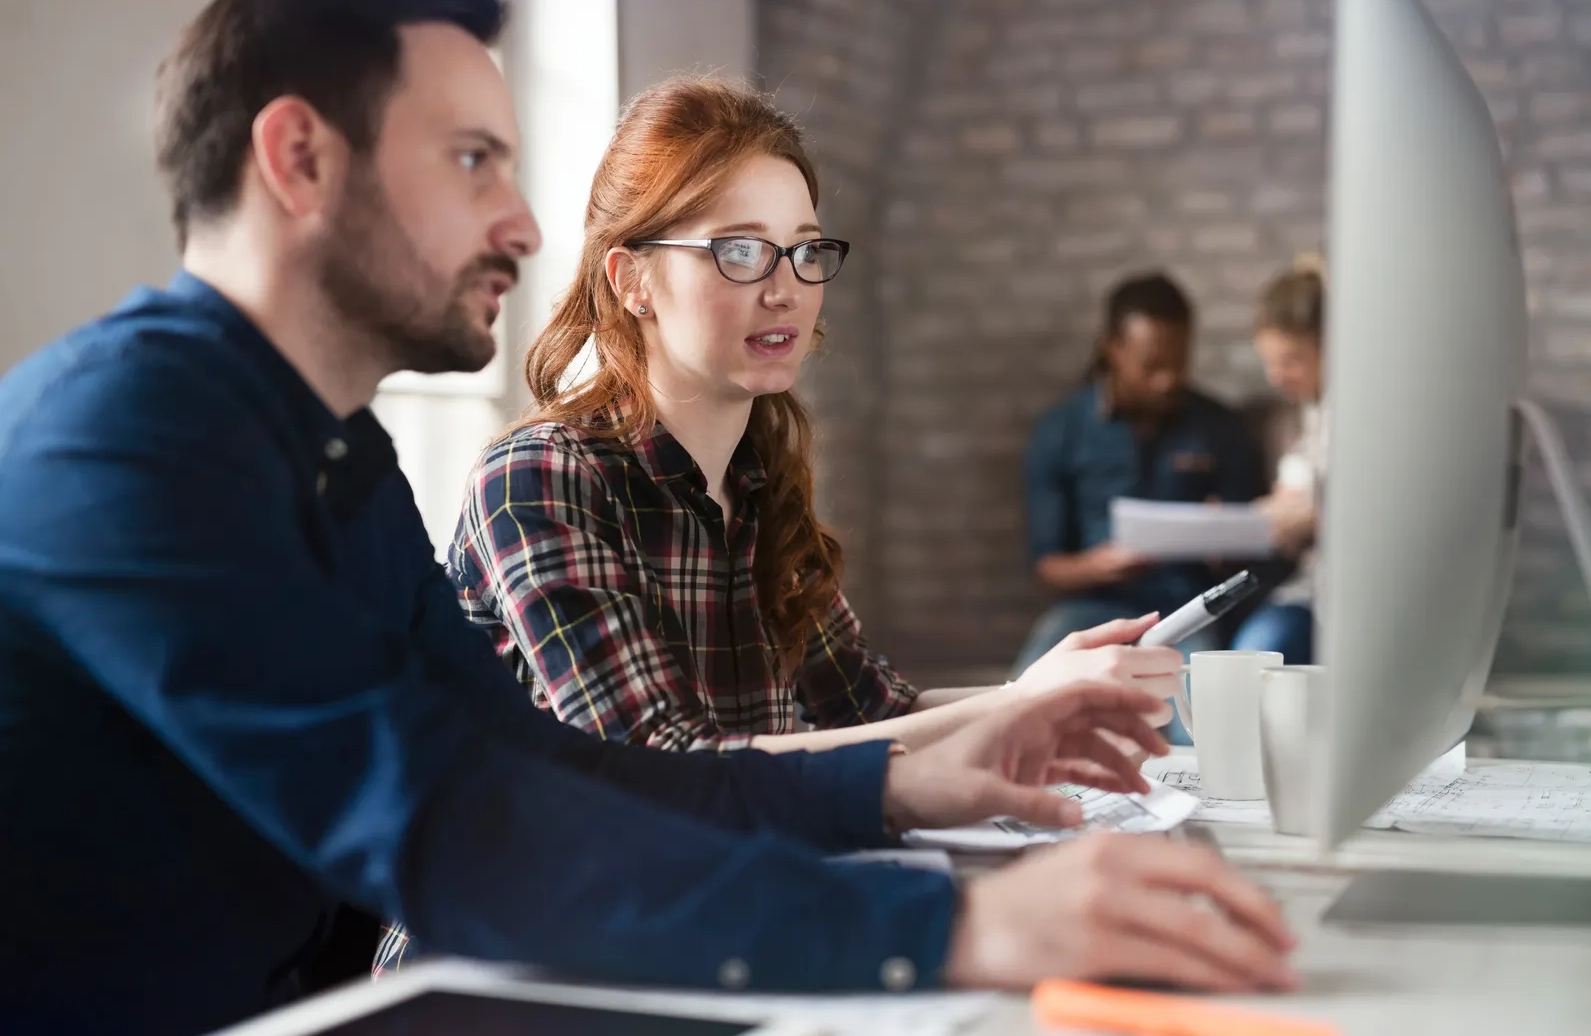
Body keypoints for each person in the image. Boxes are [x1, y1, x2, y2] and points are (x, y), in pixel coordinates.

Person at [0, 0, 1294, 1036]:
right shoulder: (124, 441)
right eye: (471, 161)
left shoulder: (332, 456)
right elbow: (462, 826)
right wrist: (959, 923)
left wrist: (906, 790)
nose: (517, 221)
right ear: (296, 158)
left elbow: (555, 769)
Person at [440, 76, 1181, 761]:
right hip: (540, 904)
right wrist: (1020, 709)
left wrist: (1051, 695)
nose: (786, 289)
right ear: (633, 279)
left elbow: (872, 713)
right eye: (740, 251)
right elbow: (665, 765)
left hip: (708, 894)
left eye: (803, 251)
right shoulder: (538, 479)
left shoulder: (760, 489)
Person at [1015, 274, 1266, 692]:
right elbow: (1047, 564)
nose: (1166, 380)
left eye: (1178, 363)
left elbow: (1256, 550)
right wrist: (1099, 564)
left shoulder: (1220, 428)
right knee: (1029, 693)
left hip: (1188, 609)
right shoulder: (1061, 430)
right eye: (1151, 366)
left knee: (1194, 705)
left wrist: (1223, 537)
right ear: (1113, 348)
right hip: (1094, 607)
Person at [1232, 256, 1328, 664]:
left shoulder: (1365, 417)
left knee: (1254, 659)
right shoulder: (1311, 414)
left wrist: (1309, 516)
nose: (1276, 376)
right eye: (1270, 362)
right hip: (1310, 587)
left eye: (1291, 360)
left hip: (1344, 599)